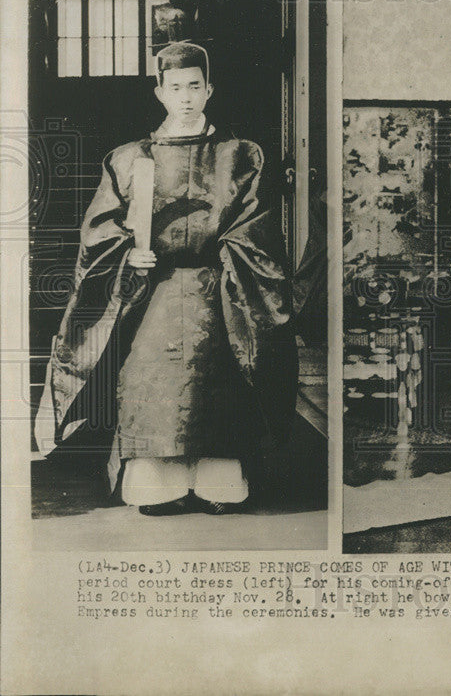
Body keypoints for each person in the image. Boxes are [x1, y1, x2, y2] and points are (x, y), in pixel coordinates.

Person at [34, 42, 298, 516]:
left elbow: (255, 228)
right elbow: (100, 227)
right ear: (159, 93)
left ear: (209, 89)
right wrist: (125, 255)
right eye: (175, 88)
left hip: (219, 290)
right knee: (147, 381)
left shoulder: (241, 155)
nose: (186, 97)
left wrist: (224, 255)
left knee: (221, 379)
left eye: (195, 86)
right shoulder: (128, 158)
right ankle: (158, 487)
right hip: (150, 293)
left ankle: (220, 485)